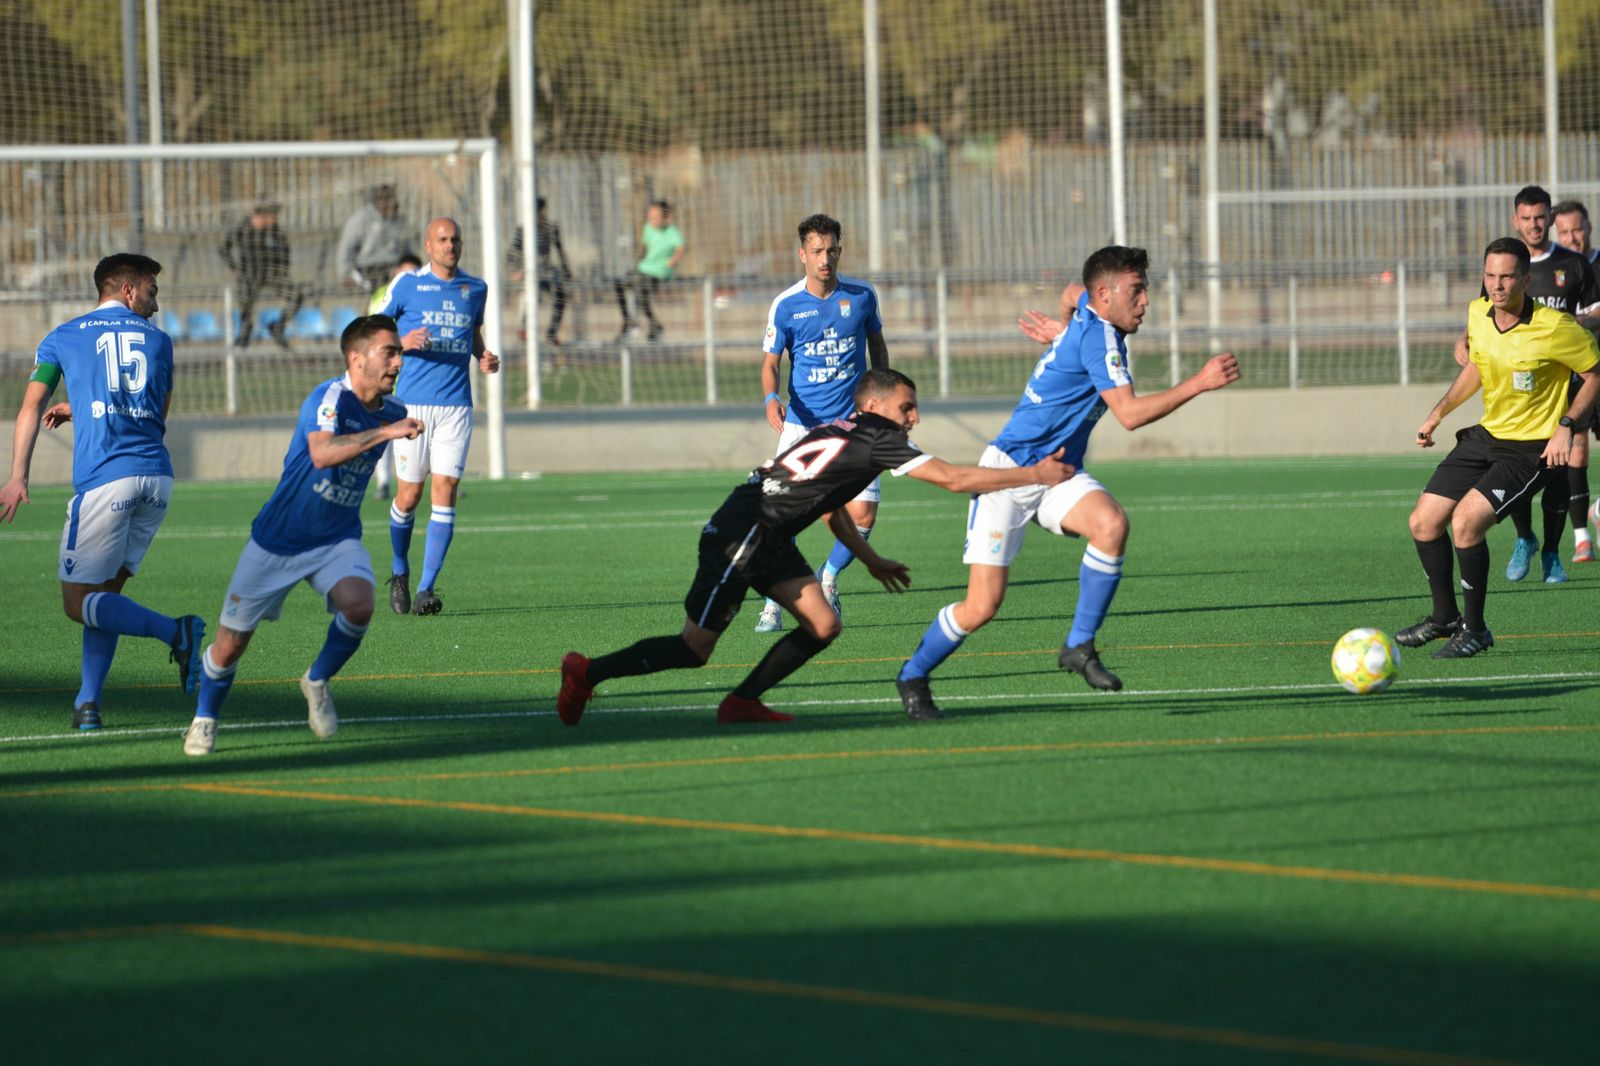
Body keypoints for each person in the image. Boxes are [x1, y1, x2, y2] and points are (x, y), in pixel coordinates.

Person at [555, 367, 1072, 726]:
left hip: (769, 534)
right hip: (745, 530)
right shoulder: (878, 437)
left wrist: (869, 560)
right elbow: (956, 479)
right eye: (906, 407)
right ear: (874, 406)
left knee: (824, 624)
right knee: (695, 649)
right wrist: (1034, 474)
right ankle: (586, 672)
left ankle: (742, 702)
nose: (913, 417)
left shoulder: (838, 430)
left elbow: (829, 508)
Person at [894, 246, 1240, 719]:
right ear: (1106, 294)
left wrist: (1063, 334)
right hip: (1008, 474)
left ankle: (1078, 645)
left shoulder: (1092, 317)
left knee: (1111, 525)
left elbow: (1071, 292)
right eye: (1136, 291)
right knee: (982, 606)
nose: (1145, 302)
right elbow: (1130, 414)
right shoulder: (1099, 337)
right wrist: (1198, 382)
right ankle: (913, 674)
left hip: (1057, 472)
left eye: (1145, 290)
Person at [181, 316, 423, 755]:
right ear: (357, 358)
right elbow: (321, 453)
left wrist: (391, 429)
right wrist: (385, 433)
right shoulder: (328, 398)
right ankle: (205, 718)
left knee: (361, 604)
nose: (397, 362)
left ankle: (316, 681)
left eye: (399, 353)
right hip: (278, 539)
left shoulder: (394, 410)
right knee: (230, 644)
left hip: (336, 538)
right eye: (389, 352)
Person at [0, 253, 205, 731]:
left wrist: (17, 475)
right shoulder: (160, 342)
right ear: (129, 291)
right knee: (106, 594)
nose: (156, 302)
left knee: (78, 603)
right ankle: (88, 704)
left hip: (106, 480)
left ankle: (177, 632)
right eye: (152, 291)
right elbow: (156, 411)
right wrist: (90, 409)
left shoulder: (63, 337)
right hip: (157, 479)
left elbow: (31, 406)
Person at [1400, 238, 1598, 661]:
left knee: (1466, 522)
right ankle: (1444, 618)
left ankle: (1475, 630)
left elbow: (1594, 375)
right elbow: (1477, 368)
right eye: (1490, 275)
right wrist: (1438, 414)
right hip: (1487, 437)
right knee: (1423, 521)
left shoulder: (1556, 327)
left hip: (1531, 449)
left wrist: (1567, 425)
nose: (1497, 284)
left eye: (1507, 276)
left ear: (1526, 279)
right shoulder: (1477, 314)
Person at [1453, 186, 1600, 583]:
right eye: (1527, 218)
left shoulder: (1574, 264)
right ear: (1515, 220)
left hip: (1565, 383)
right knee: (1511, 463)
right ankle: (1525, 537)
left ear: (1550, 218)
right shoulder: (1504, 264)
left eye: (1541, 217)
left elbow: (1591, 312)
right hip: (1516, 390)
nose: (1534, 225)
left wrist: (1567, 330)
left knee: (1561, 465)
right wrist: (1464, 338)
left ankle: (1554, 551)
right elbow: (1486, 311)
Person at [753, 213, 889, 633]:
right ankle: (776, 602)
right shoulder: (787, 304)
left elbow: (877, 347)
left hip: (854, 425)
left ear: (839, 251)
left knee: (863, 514)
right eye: (816, 251)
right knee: (778, 517)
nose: (824, 258)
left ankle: (828, 578)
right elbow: (771, 362)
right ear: (802, 255)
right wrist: (771, 397)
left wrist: (882, 400)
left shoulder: (862, 296)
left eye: (831, 250)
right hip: (801, 424)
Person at [376, 217, 500, 616]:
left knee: (445, 490)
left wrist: (483, 355)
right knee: (409, 495)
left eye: (456, 239)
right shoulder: (408, 284)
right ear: (428, 246)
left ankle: (426, 590)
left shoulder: (475, 288)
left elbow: (472, 333)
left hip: (456, 406)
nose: (451, 245)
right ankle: (399, 569)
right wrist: (400, 342)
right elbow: (371, 328)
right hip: (412, 405)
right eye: (443, 240)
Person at [1552, 198, 1600, 562]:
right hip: (1575, 376)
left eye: (1577, 229)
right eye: (1565, 231)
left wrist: (1584, 321)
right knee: (1577, 452)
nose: (1573, 237)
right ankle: (1581, 537)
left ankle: (1597, 510)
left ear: (1589, 228)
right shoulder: (1557, 271)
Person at [365, 253, 424, 501]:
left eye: (414, 272)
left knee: (421, 429)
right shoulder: (381, 296)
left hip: (417, 376)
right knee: (385, 429)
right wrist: (402, 343)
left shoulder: (427, 293)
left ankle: (438, 477)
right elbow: (372, 331)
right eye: (405, 272)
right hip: (389, 374)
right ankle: (383, 481)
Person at [219, 201, 303, 350]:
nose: (275, 218)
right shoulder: (243, 229)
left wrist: (282, 269)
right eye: (272, 215)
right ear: (262, 216)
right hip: (249, 275)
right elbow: (224, 248)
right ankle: (245, 333)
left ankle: (278, 327)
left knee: (296, 295)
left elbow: (285, 250)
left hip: (272, 273)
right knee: (246, 301)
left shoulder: (274, 231)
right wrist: (235, 268)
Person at [614, 199, 684, 341]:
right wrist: (637, 259)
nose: (652, 219)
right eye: (650, 216)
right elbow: (644, 246)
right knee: (619, 284)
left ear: (665, 217)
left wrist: (673, 261)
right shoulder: (648, 228)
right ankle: (632, 322)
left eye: (656, 217)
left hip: (658, 272)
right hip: (643, 268)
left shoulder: (672, 232)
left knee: (640, 290)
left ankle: (641, 326)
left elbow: (681, 249)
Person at [509, 196, 570, 347]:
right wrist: (517, 270)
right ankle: (524, 329)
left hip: (547, 269)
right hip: (529, 269)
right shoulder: (523, 229)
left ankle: (551, 334)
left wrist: (566, 269)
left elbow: (560, 249)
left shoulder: (551, 228)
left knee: (561, 296)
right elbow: (511, 253)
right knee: (533, 295)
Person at [337, 184, 414, 294]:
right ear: (378, 201)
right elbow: (346, 248)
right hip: (366, 270)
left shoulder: (400, 220)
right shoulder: (361, 220)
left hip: (392, 268)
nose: (392, 204)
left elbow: (407, 249)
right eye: (387, 200)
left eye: (393, 199)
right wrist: (345, 274)